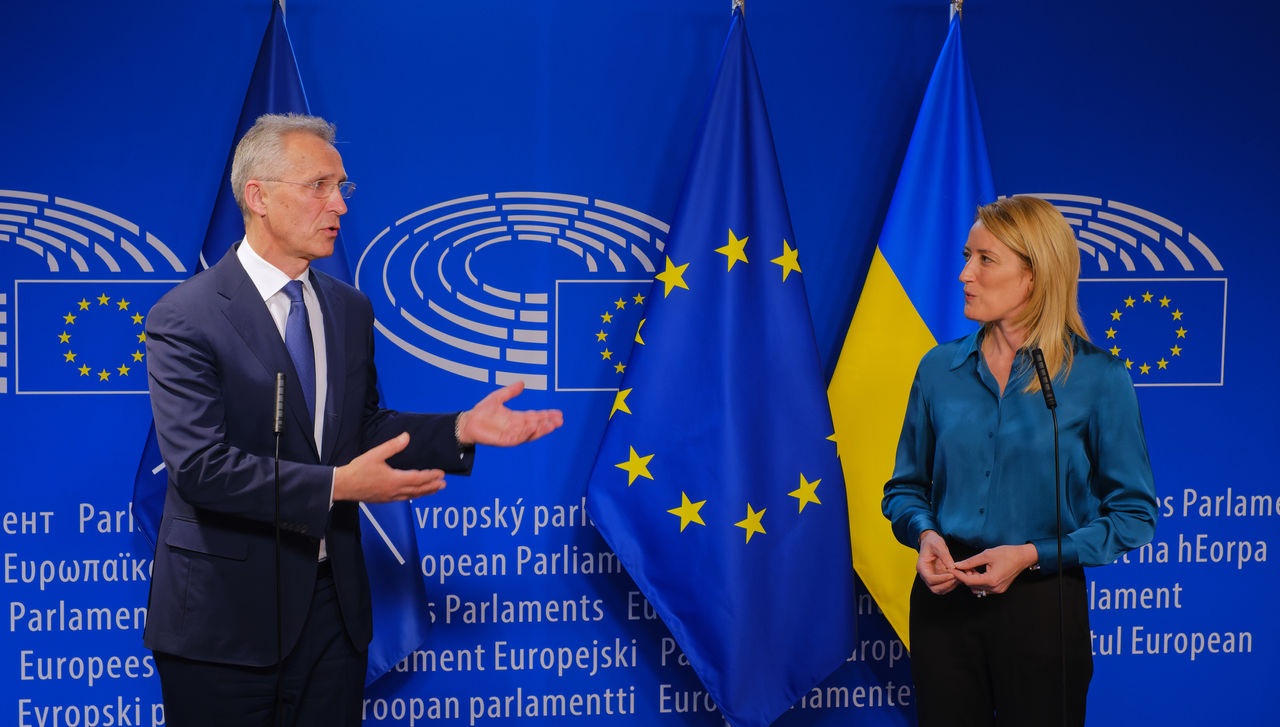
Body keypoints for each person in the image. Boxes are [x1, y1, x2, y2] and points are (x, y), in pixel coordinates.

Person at [142, 113, 563, 726]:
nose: (338, 203)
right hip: (222, 623)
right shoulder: (186, 316)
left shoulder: (348, 307)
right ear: (257, 196)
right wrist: (340, 487)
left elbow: (357, 430)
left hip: (333, 617)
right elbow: (201, 469)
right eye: (319, 186)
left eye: (342, 188)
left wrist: (457, 431)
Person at [881, 195, 1157, 726]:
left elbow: (1134, 515)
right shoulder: (938, 369)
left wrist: (1032, 554)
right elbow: (905, 488)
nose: (965, 273)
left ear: (1034, 275)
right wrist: (924, 534)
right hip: (945, 605)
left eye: (986, 259)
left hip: (1041, 605)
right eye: (967, 256)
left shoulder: (1099, 378)